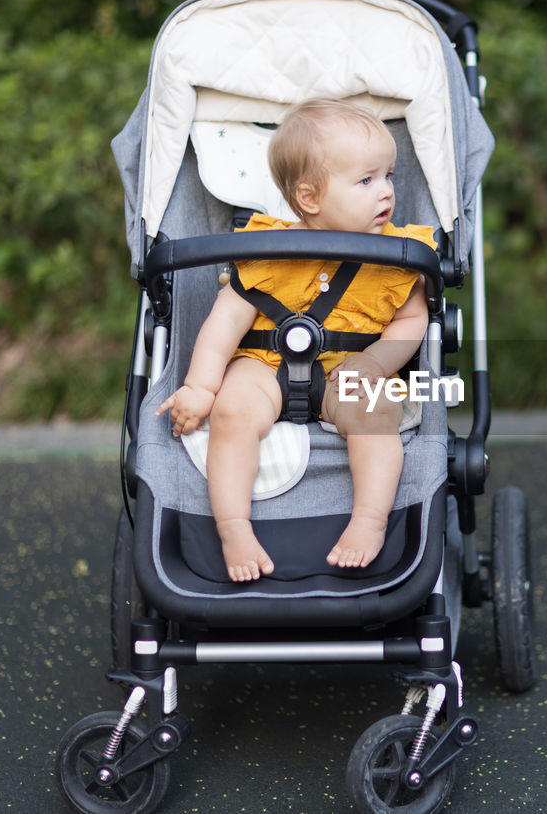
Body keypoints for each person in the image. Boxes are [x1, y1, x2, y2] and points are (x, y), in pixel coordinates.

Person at [157, 98, 433, 581]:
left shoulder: (399, 253)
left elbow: (412, 321)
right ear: (309, 198)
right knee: (232, 410)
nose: (386, 191)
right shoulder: (268, 250)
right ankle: (233, 527)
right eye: (366, 180)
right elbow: (223, 324)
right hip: (264, 366)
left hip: (349, 369)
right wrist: (201, 386)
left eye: (388, 175)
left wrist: (376, 364)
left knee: (377, 409)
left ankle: (368, 522)